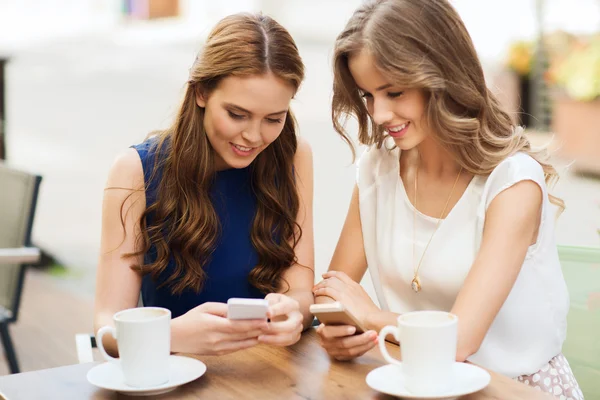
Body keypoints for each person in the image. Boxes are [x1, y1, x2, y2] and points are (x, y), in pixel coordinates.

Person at [313, 0, 582, 397]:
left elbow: (459, 342)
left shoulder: (513, 182)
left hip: (510, 389)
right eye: (368, 95)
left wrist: (369, 317)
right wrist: (337, 331)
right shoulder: (377, 169)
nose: (380, 113)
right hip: (418, 379)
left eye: (395, 91)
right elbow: (334, 296)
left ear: (442, 76)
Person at [94, 12, 315, 357]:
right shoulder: (135, 171)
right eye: (237, 114)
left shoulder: (293, 154)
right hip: (174, 375)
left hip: (269, 371)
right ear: (200, 92)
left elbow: (300, 291)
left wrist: (294, 314)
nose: (254, 136)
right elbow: (107, 325)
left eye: (274, 118)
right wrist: (168, 336)